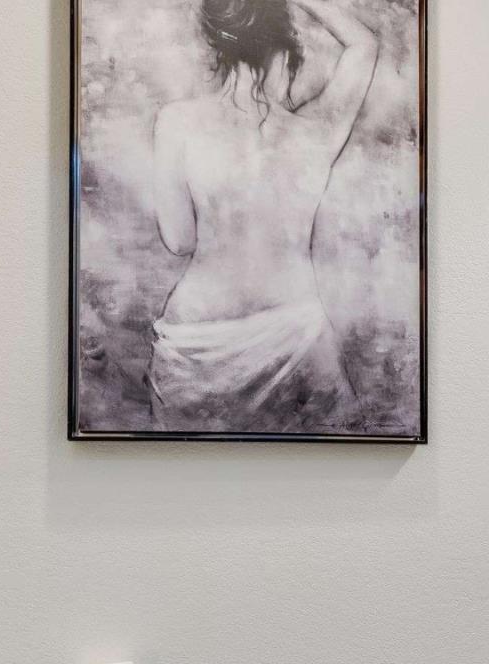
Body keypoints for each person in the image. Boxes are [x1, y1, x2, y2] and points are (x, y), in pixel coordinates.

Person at [148, 0, 379, 433]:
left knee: (183, 479)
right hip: (296, 333)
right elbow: (363, 43)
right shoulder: (317, 130)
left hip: (199, 342)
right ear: (285, 56)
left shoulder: (176, 122)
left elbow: (179, 240)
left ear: (220, 50)